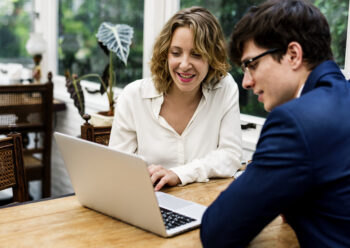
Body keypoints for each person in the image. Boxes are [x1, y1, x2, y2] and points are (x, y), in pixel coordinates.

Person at [200, 0, 350, 247]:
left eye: (252, 64)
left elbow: (218, 232)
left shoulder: (294, 122)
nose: (246, 82)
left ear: (293, 54)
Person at [109, 6, 242, 191]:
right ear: (165, 54)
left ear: (212, 57)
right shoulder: (133, 96)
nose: (184, 64)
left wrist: (179, 174)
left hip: (204, 204)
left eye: (196, 54)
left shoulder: (225, 88)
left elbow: (231, 155)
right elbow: (116, 167)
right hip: (150, 202)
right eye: (176, 53)